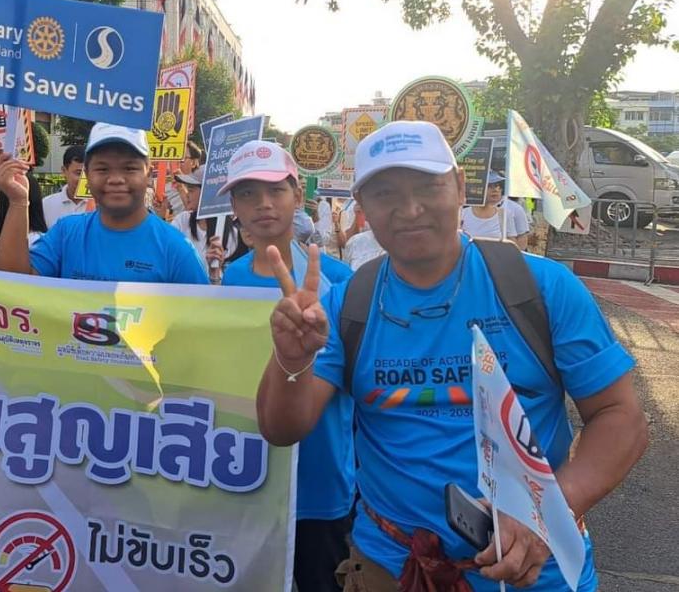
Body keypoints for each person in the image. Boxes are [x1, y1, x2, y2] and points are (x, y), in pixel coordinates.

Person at [258, 120, 647, 592]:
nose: (410, 209)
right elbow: (283, 429)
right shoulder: (347, 305)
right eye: (385, 194)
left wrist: (547, 514)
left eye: (428, 186)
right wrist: (291, 360)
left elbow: (620, 416)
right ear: (361, 206)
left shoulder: (541, 288)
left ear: (460, 186)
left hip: (538, 576)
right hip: (390, 568)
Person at [219, 140, 355, 592]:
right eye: (247, 193)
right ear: (234, 207)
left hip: (319, 484)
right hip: (246, 474)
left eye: (276, 190)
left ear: (298, 196)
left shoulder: (340, 281)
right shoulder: (228, 280)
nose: (263, 204)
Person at [0, 122, 209, 284]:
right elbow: (15, 282)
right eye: (102, 169)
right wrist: (18, 201)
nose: (115, 179)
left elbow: (200, 323)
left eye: (129, 168)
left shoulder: (177, 250)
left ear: (148, 173)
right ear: (87, 175)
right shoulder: (66, 234)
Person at [171, 167, 239, 271]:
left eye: (191, 190)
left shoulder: (231, 234)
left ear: (207, 194)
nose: (187, 194)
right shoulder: (182, 220)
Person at [461, 172, 521, 244]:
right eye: (489, 186)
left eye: (497, 185)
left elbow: (512, 244)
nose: (495, 190)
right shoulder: (462, 214)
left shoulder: (505, 215)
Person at [42, 145, 91, 229]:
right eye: (79, 173)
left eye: (88, 173)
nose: (84, 178)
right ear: (64, 171)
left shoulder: (102, 205)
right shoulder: (46, 205)